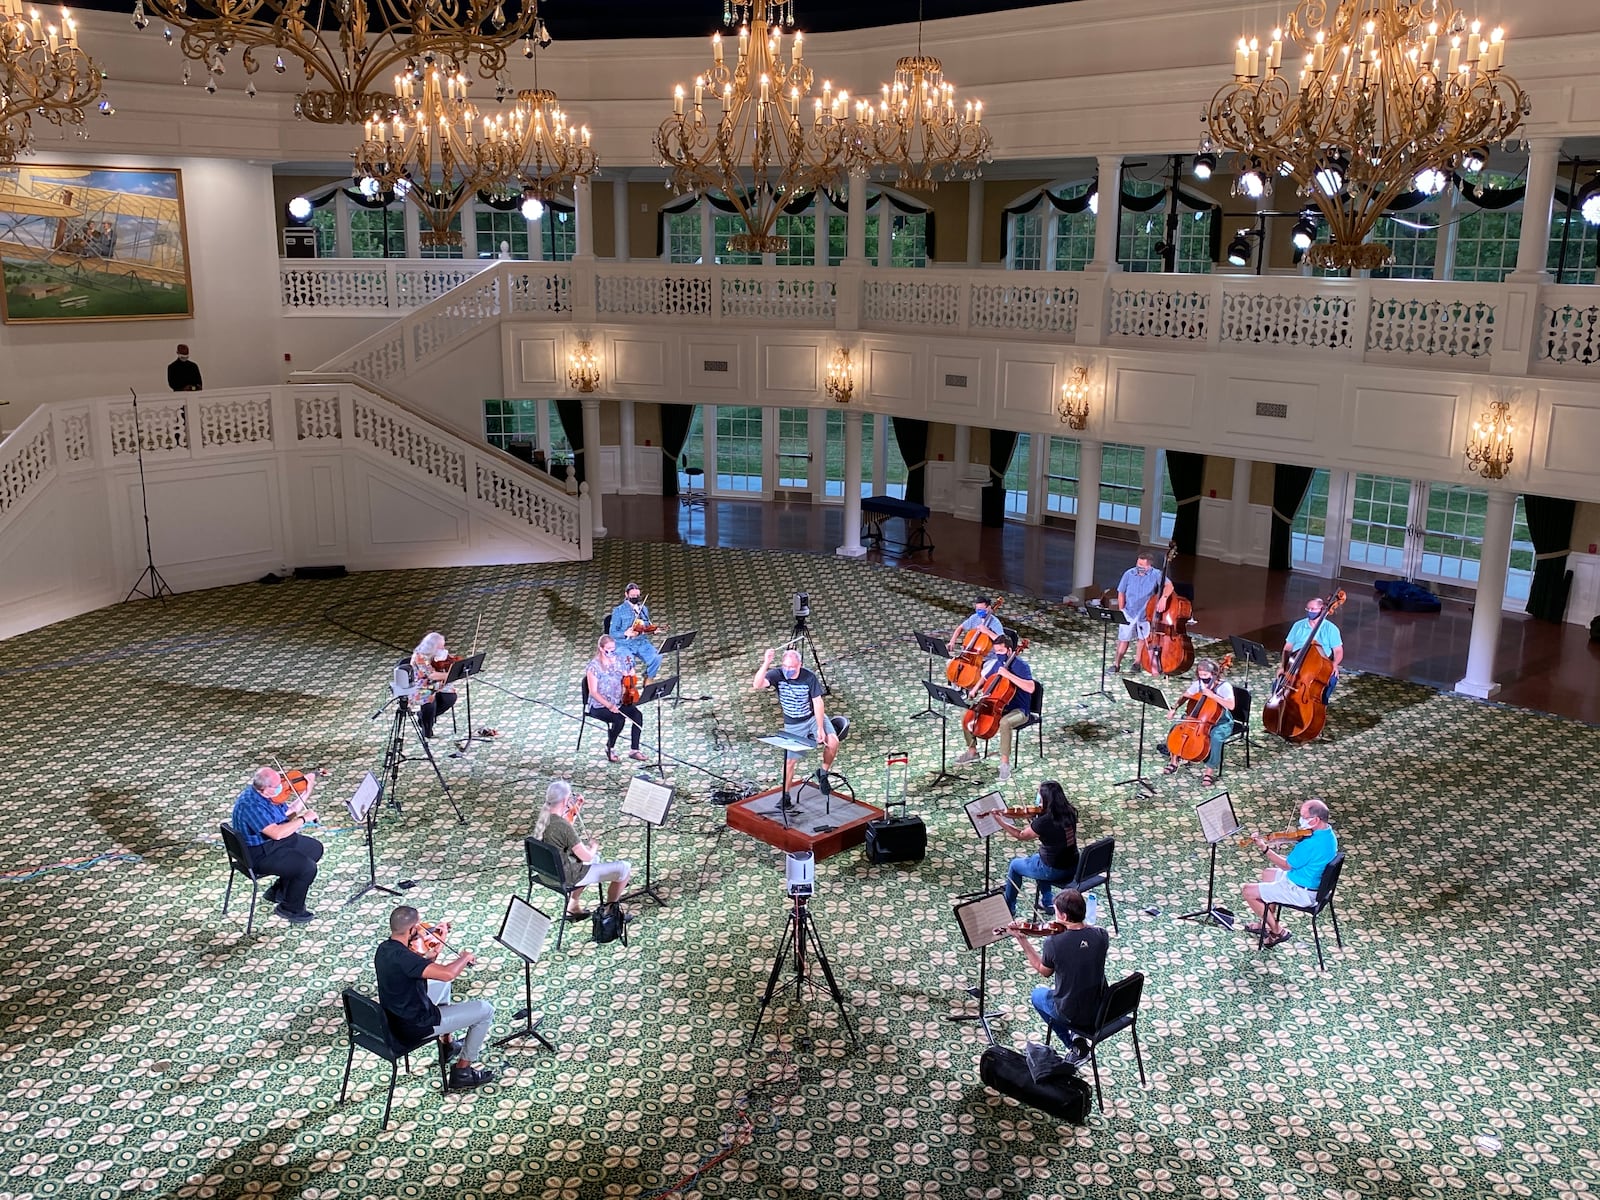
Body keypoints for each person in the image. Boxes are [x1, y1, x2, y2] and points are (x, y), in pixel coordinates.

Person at [374, 906, 497, 1092]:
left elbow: (422, 969)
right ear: (411, 930)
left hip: (394, 1017)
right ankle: (462, 1072)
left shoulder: (384, 949)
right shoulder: (408, 958)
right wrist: (465, 958)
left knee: (442, 985)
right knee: (485, 1010)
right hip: (415, 1026)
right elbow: (448, 974)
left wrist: (439, 943)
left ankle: (447, 1044)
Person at [1007, 889, 1110, 1061]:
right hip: (1102, 1008)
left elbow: (1043, 970)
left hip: (1072, 1012)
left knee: (1038, 995)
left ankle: (1075, 1046)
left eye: (1055, 912)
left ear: (1062, 916)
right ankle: (1077, 1038)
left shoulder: (1053, 942)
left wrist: (1022, 940)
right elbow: (1084, 940)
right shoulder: (1101, 935)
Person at [229, 766, 323, 924]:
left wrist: (307, 790)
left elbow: (288, 813)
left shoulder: (267, 796)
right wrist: (303, 819)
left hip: (271, 843)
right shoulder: (251, 805)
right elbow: (277, 833)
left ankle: (278, 891)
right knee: (307, 867)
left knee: (314, 849)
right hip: (258, 854)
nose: (281, 786)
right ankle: (289, 908)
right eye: (277, 784)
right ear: (265, 788)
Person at [1242, 797, 1338, 948]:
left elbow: (1286, 865)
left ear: (1316, 819)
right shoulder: (1328, 834)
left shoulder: (1310, 845)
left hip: (1301, 890)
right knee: (1267, 873)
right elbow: (1306, 853)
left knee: (1248, 891)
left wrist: (1265, 848)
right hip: (1311, 881)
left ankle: (1277, 931)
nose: (1301, 821)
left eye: (1305, 817)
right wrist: (1287, 840)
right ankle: (1266, 923)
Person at [534, 781, 632, 922]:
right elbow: (586, 856)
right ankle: (610, 914)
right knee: (624, 868)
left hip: (546, 873)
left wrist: (573, 813)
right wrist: (594, 846)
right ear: (565, 800)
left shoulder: (544, 818)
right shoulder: (563, 827)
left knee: (596, 859)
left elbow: (562, 835)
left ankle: (572, 905)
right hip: (567, 876)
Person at [751, 646, 839, 793]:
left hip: (811, 717)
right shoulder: (777, 675)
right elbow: (757, 685)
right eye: (785, 666)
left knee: (833, 742)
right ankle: (785, 795)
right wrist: (766, 662)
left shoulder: (809, 677)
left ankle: (823, 773)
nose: (788, 669)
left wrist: (820, 727)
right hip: (793, 724)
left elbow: (818, 702)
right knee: (789, 762)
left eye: (792, 667)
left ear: (800, 665)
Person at [954, 634, 1034, 783]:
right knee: (966, 713)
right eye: (996, 651)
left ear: (1009, 650)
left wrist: (1008, 675)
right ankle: (972, 752)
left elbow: (1031, 688)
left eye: (1001, 651)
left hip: (1020, 710)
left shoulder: (1021, 666)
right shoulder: (998, 662)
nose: (998, 654)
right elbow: (987, 678)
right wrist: (975, 689)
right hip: (999, 705)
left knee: (1004, 723)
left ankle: (1004, 764)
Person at [994, 779, 1080, 916]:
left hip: (1054, 869)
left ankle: (1009, 908)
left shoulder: (1044, 821)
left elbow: (1021, 835)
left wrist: (1000, 821)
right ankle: (1048, 902)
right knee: (1036, 859)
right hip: (1074, 866)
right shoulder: (1069, 811)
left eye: (1039, 794)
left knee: (1015, 865)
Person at [1164, 657, 1236, 786]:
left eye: (1205, 675)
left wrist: (1213, 696)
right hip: (1199, 719)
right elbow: (1185, 696)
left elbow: (1231, 706)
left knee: (1215, 738)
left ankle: (1209, 772)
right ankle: (1174, 761)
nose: (1203, 678)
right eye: (1200, 675)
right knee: (1176, 728)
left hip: (1221, 721)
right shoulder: (1198, 684)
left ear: (1213, 674)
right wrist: (1174, 708)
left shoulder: (1225, 686)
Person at [1111, 551, 1175, 674]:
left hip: (1145, 614)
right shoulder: (1129, 574)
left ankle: (1137, 663)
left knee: (1142, 639)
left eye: (1142, 565)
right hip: (1129, 612)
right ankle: (1116, 664)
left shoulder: (1156, 574)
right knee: (1123, 639)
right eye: (1138, 564)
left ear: (1149, 566)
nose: (1139, 567)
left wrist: (1164, 598)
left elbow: (1169, 586)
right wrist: (1121, 609)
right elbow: (1121, 593)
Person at [585, 634, 646, 763]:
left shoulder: (618, 659)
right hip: (600, 705)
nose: (612, 651)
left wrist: (630, 673)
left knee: (637, 716)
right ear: (601, 648)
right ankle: (610, 747)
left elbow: (629, 671)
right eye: (609, 649)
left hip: (618, 700)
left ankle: (634, 750)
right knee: (619, 719)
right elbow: (593, 692)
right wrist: (609, 705)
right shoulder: (594, 667)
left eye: (614, 648)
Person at [1280, 596, 1344, 703]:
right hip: (1296, 663)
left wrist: (1334, 664)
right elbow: (1287, 648)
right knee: (1279, 683)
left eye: (1313, 609)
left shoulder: (1331, 629)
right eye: (1308, 609)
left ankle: (1321, 704)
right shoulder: (1298, 625)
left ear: (1322, 610)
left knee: (1331, 680)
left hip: (1320, 664)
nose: (1310, 611)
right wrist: (1283, 666)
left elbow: (1338, 651)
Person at [407, 631, 458, 739]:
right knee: (430, 700)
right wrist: (451, 674)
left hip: (437, 683)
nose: (443, 649)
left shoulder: (438, 653)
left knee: (450, 697)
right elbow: (431, 675)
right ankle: (427, 728)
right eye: (440, 647)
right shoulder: (420, 656)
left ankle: (424, 716)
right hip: (421, 685)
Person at [608, 583, 663, 679]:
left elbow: (646, 626)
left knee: (657, 657)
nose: (635, 597)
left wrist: (652, 630)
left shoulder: (643, 609)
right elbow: (612, 633)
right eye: (633, 595)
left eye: (637, 595)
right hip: (624, 644)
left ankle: (648, 677)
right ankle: (627, 687)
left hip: (641, 642)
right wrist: (625, 633)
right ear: (626, 594)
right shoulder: (618, 610)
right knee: (629, 664)